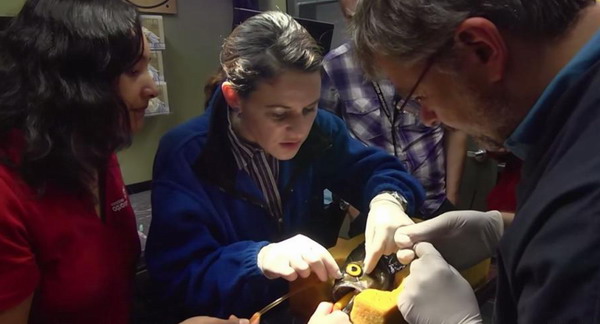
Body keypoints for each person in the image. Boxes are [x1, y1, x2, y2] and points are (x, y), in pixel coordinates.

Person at [145, 10, 425, 321]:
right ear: (234, 98)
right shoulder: (186, 153)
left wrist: (388, 200)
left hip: (312, 307)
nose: (300, 129)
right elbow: (177, 278)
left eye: (309, 108)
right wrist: (259, 258)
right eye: (279, 114)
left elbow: (375, 170)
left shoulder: (321, 129)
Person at [351, 0, 600, 323]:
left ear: (481, 48)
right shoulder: (573, 123)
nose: (428, 119)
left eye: (421, 97)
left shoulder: (584, 212)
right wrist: (506, 230)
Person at [0, 0, 158, 322]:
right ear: (76, 81)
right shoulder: (8, 196)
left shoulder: (94, 152)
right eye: (133, 71)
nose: (152, 88)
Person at [320, 0, 467, 223]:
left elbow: (455, 128)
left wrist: (451, 197)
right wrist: (353, 209)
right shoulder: (334, 67)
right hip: (373, 208)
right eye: (355, 21)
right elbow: (328, 143)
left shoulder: (425, 56)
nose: (366, 34)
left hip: (433, 202)